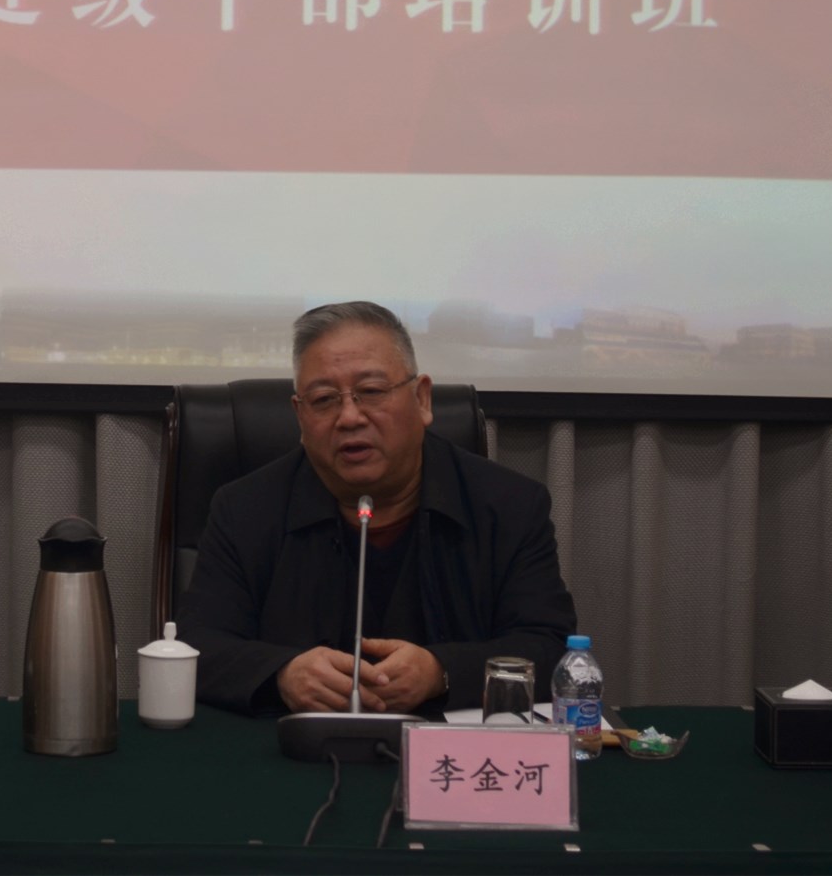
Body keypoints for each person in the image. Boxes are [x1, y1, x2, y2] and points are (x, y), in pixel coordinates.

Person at [176, 301, 576, 715]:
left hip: (445, 744)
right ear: (300, 416)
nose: (349, 417)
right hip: (294, 743)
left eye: (371, 392)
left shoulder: (509, 506)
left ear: (422, 398)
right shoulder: (244, 510)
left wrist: (441, 671)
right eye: (324, 399)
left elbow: (549, 648)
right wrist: (282, 674)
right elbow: (195, 646)